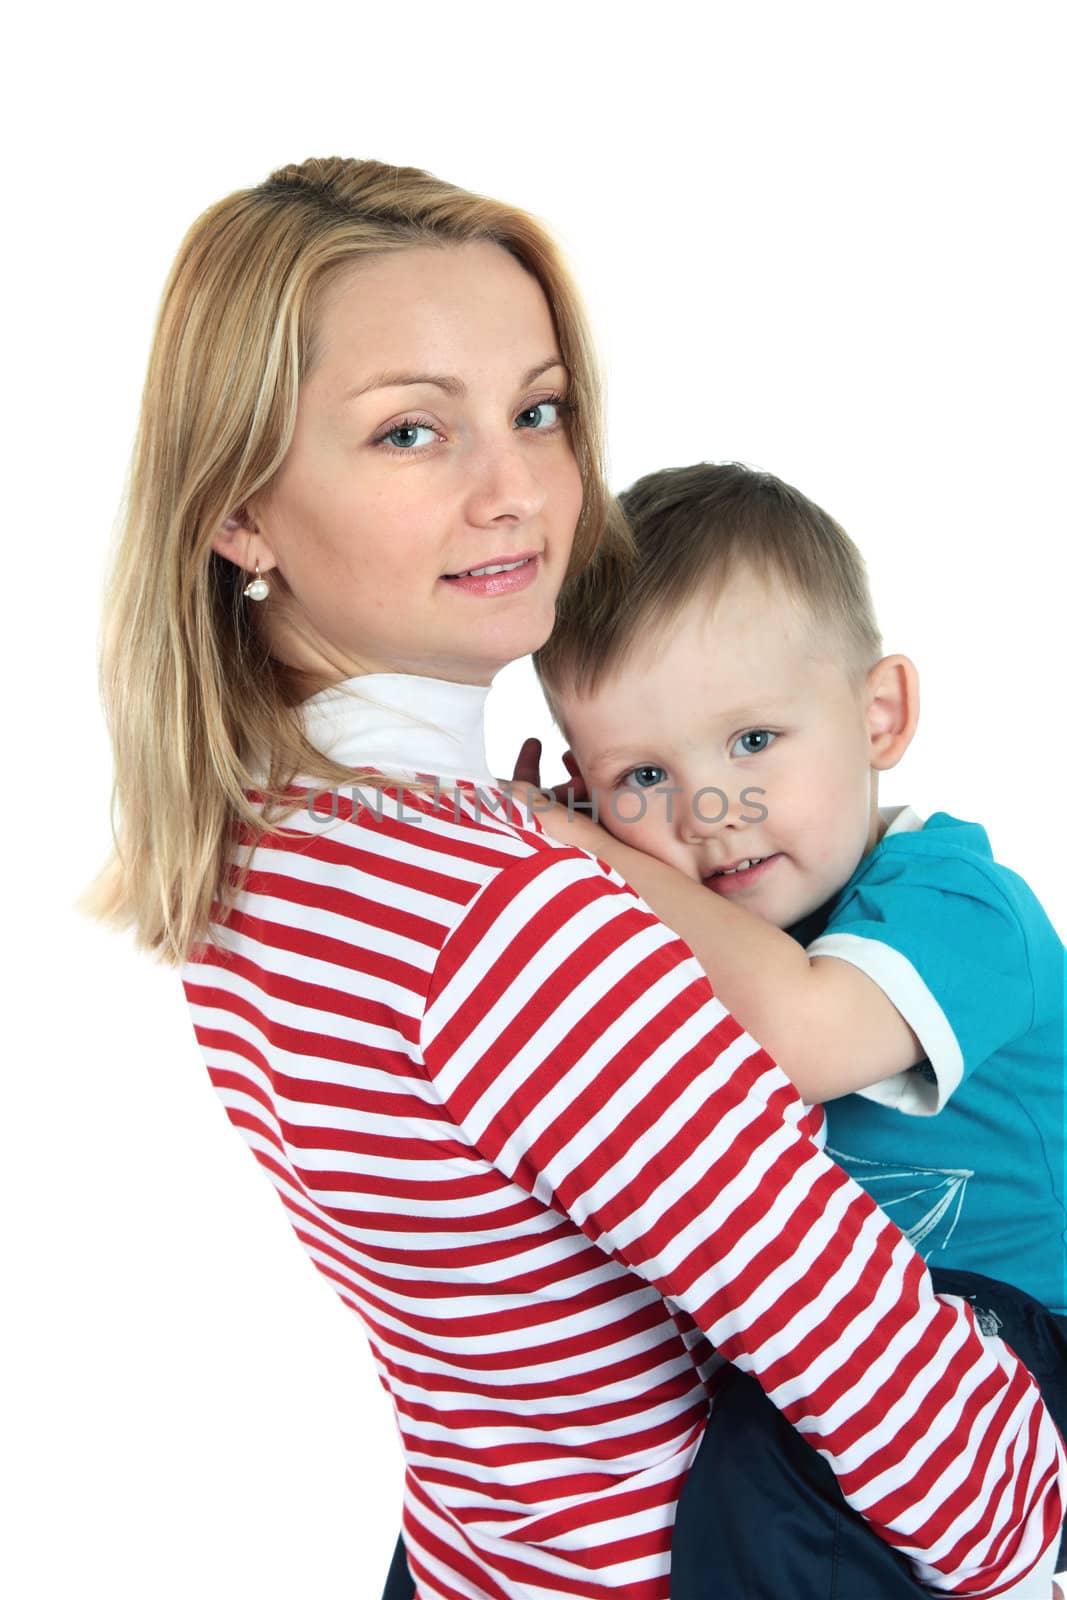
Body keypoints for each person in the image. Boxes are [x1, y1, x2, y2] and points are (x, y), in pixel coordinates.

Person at [81, 158, 1064, 1600]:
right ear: (237, 508)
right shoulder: (503, 904)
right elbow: (928, 1442)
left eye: (537, 411)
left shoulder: (253, 847)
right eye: (412, 430)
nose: (516, 490)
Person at [531, 458, 1067, 1585]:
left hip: (1018, 1344)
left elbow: (804, 1036)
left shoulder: (959, 904)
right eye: (639, 776)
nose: (705, 814)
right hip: (819, 1327)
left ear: (879, 715)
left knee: (773, 1477)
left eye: (753, 742)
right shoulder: (698, 927)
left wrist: (575, 850)